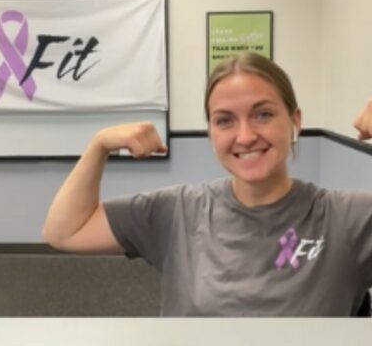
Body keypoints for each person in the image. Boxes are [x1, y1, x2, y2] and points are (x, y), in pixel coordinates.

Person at [42, 53, 372, 316]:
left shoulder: (346, 218)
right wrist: (99, 145)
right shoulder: (177, 211)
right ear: (211, 132)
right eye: (225, 120)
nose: (244, 136)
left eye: (263, 115)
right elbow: (65, 231)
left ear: (294, 121)